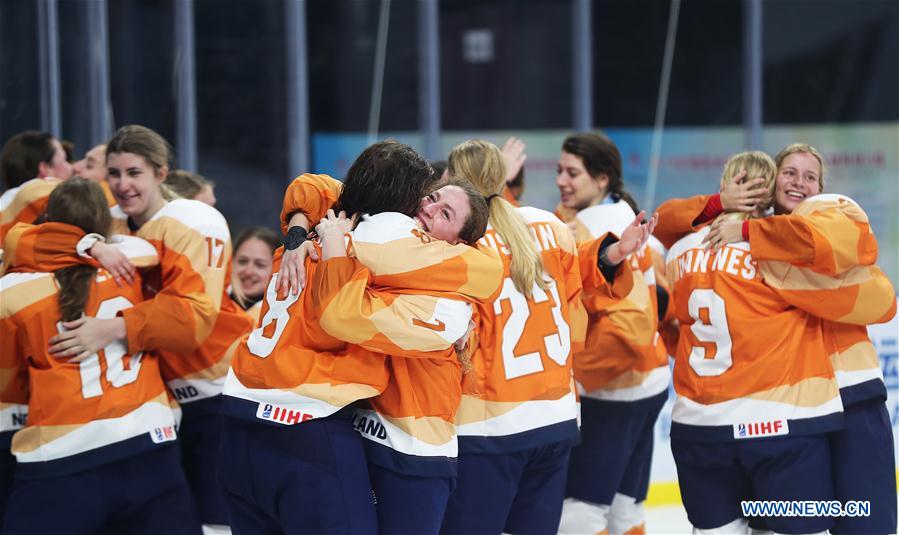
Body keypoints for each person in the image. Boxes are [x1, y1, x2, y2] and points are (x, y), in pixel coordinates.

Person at [220, 140, 502, 535]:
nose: (427, 210)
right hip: (308, 422)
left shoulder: (327, 233)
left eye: (444, 213)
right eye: (429, 198)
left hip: (245, 414)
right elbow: (342, 313)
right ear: (405, 202)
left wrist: (306, 234)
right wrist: (332, 247)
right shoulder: (381, 246)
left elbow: (310, 186)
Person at [3, 125, 254, 530]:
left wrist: (113, 328)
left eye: (134, 173)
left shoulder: (194, 220)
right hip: (161, 404)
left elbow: (192, 320)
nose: (122, 184)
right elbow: (19, 240)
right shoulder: (113, 222)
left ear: (160, 172)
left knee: (218, 521)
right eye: (114, 173)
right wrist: (86, 244)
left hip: (214, 389)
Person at [665, 143, 897, 534]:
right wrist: (721, 206)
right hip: (794, 415)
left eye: (810, 177)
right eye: (789, 173)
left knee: (864, 521)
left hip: (852, 399)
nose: (800, 183)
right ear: (769, 185)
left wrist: (745, 228)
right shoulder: (746, 248)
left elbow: (871, 287)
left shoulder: (824, 214)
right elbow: (666, 222)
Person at [438, 140, 652, 534]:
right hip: (556, 418)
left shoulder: (455, 242)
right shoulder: (550, 225)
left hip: (490, 427)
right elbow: (579, 277)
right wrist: (613, 254)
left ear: (454, 180)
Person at [0, 178, 200, 534]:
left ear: (47, 219)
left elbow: (6, 385)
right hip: (150, 448)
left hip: (63, 459)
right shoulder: (134, 259)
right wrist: (91, 244)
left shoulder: (13, 292)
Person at [553, 132, 667, 535]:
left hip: (611, 392)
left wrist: (572, 374)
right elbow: (661, 299)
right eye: (559, 171)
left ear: (601, 179)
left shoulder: (592, 227)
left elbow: (628, 330)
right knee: (624, 509)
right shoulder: (624, 212)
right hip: (648, 384)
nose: (562, 181)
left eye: (573, 173)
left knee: (577, 514)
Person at [0, 131, 74, 246]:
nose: (72, 167)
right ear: (46, 168)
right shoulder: (51, 194)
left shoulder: (7, 202)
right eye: (65, 160)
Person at [230, 226, 279, 320]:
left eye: (260, 265)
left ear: (277, 269)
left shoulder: (281, 318)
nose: (248, 272)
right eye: (242, 261)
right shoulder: (212, 306)